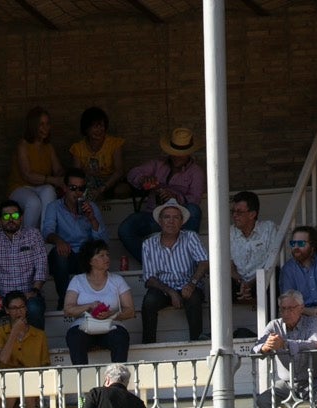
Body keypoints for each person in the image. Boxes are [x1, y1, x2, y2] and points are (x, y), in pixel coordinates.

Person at [121, 126, 205, 256]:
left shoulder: (196, 172)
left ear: (189, 153)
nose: (177, 156)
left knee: (194, 210)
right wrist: (143, 180)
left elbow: (195, 199)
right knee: (126, 228)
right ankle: (152, 261)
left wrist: (176, 197)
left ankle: (186, 256)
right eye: (174, 152)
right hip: (154, 217)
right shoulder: (158, 164)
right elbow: (132, 173)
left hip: (179, 219)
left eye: (181, 154)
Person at [0, 201, 49, 349]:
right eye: (6, 216)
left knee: (34, 309)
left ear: (21, 217)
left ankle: (36, 348)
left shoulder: (33, 235)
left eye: (15, 215)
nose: (11, 219)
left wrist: (34, 291)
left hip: (28, 295)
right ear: (0, 219)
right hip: (3, 299)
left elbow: (42, 266)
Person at [140, 201, 209, 343]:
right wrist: (171, 292)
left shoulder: (190, 237)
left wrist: (192, 283)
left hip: (189, 286)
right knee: (149, 301)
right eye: (167, 217)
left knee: (194, 298)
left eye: (176, 217)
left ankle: (197, 342)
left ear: (182, 221)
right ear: (160, 221)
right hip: (163, 289)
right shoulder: (149, 244)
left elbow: (204, 262)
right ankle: (148, 344)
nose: (171, 221)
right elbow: (149, 279)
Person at [63, 240, 134, 366]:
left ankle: (117, 380)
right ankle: (82, 378)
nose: (107, 258)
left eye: (107, 255)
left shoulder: (117, 280)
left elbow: (130, 311)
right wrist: (89, 306)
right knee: (75, 336)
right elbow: (68, 309)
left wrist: (112, 314)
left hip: (111, 326)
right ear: (90, 261)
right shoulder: (78, 280)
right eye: (101, 255)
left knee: (120, 336)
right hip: (84, 326)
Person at [44, 169, 107, 308]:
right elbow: (47, 232)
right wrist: (59, 241)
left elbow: (103, 242)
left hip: (86, 255)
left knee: (96, 256)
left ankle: (91, 302)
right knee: (59, 254)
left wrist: (91, 219)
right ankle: (65, 301)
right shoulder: (54, 207)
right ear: (65, 188)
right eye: (73, 188)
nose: (77, 192)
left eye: (81, 188)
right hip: (66, 252)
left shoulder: (92, 208)